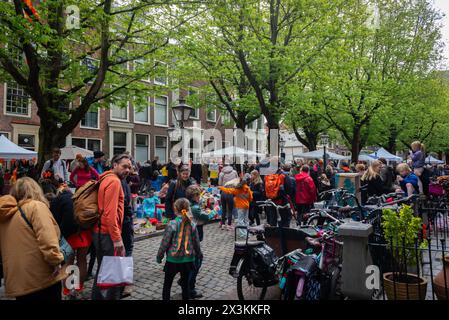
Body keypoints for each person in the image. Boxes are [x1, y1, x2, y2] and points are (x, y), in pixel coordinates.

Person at [0, 177, 66, 300]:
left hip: (19, 281)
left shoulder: (6, 215)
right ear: (36, 190)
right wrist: (56, 261)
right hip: (41, 278)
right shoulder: (35, 206)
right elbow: (47, 238)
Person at [91, 153, 132, 300]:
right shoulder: (114, 182)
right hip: (107, 234)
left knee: (104, 272)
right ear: (115, 165)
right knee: (113, 276)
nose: (127, 170)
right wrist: (117, 239)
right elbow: (110, 214)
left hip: (101, 231)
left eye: (129, 167)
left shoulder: (105, 178)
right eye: (124, 166)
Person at [49, 177, 91, 298]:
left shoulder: (57, 200)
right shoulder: (77, 197)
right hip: (83, 234)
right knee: (82, 261)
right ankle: (78, 289)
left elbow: (55, 221)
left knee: (68, 263)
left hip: (68, 237)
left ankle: (67, 291)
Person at [157, 198, 202, 301]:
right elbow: (196, 243)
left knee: (167, 285)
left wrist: (159, 256)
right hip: (188, 260)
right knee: (185, 286)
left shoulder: (171, 224)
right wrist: (199, 254)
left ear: (175, 209)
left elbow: (164, 243)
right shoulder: (192, 224)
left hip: (172, 260)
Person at [185, 185, 216, 299]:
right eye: (198, 195)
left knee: (193, 261)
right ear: (193, 196)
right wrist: (214, 211)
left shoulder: (190, 205)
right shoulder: (194, 207)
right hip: (194, 234)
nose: (199, 197)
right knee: (197, 260)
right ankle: (190, 288)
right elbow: (206, 217)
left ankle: (185, 282)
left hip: (191, 234)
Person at [121, 174, 134, 298]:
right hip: (124, 221)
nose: (128, 170)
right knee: (127, 250)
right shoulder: (119, 182)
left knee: (126, 251)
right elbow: (125, 202)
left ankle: (125, 282)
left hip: (124, 221)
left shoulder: (122, 181)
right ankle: (125, 282)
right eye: (125, 166)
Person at [218, 163, 239, 230]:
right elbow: (237, 182)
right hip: (230, 192)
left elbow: (220, 184)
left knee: (224, 209)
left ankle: (223, 224)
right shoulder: (234, 172)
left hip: (223, 192)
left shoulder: (221, 173)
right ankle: (229, 225)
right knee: (230, 210)